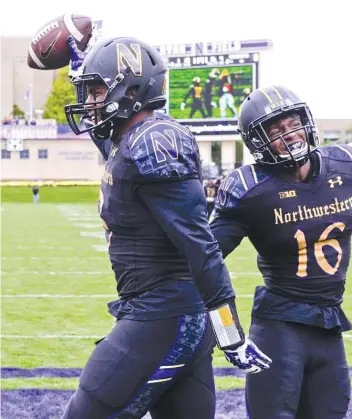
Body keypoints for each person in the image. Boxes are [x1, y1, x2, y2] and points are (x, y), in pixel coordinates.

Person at [60, 37, 271, 419]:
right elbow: (107, 144)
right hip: (171, 317)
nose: (90, 102)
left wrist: (230, 335)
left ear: (132, 89)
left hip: (161, 318)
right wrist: (77, 62)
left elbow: (200, 246)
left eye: (96, 90)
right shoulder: (126, 141)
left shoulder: (155, 141)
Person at [210, 85, 352, 419]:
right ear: (257, 142)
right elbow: (204, 261)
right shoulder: (250, 189)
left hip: (329, 327)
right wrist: (227, 332)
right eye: (274, 130)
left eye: (292, 123)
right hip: (279, 328)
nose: (288, 134)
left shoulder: (348, 167)